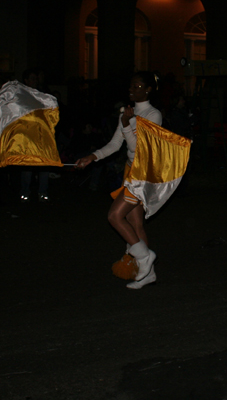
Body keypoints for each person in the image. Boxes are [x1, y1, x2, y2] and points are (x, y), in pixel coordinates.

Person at [75, 72, 163, 289]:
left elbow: (137, 148)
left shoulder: (153, 115)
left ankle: (144, 258)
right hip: (129, 171)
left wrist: (126, 123)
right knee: (135, 223)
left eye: (137, 85)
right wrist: (92, 157)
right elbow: (115, 144)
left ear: (148, 89)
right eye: (131, 85)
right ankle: (148, 273)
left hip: (143, 174)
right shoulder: (127, 112)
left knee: (114, 215)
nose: (131, 89)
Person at [20, 68, 51, 203]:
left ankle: (43, 192)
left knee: (44, 165)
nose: (34, 81)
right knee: (28, 166)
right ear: (26, 81)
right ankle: (25, 192)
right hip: (27, 135)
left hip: (42, 135)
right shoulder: (22, 95)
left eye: (36, 78)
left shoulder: (42, 94)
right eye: (32, 78)